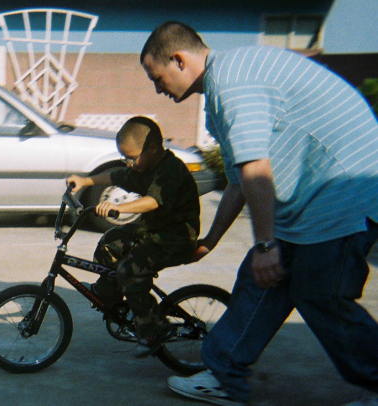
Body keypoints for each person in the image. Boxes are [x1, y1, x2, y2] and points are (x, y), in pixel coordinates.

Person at [141, 21, 378, 406]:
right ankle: (224, 375)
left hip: (345, 192)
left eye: (157, 77)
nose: (157, 89)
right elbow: (239, 180)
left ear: (179, 60)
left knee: (321, 294)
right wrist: (211, 240)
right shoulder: (223, 88)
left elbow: (256, 168)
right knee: (261, 279)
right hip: (309, 199)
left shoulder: (232, 81)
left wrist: (266, 243)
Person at [67, 115, 200, 357]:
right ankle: (113, 299)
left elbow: (152, 202)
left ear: (152, 149)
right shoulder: (144, 165)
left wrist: (119, 208)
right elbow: (117, 175)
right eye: (125, 158)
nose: (129, 163)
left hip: (176, 236)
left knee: (131, 270)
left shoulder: (170, 170)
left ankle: (154, 328)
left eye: (132, 157)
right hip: (153, 230)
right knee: (111, 242)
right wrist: (85, 180)